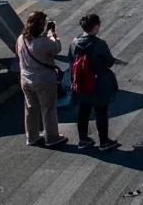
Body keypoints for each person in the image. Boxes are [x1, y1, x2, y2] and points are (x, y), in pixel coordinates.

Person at [68, 12, 120, 151]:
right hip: (99, 84)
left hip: (81, 83)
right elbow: (109, 62)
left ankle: (83, 139)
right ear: (96, 26)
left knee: (83, 111)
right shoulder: (100, 44)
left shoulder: (74, 42)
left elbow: (71, 60)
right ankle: (104, 142)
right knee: (101, 112)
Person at [16, 11, 67, 148]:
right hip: (43, 80)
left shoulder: (21, 39)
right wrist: (53, 35)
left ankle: (31, 137)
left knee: (30, 108)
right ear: (41, 25)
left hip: (26, 79)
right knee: (48, 109)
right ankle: (52, 138)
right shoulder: (44, 42)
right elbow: (57, 48)